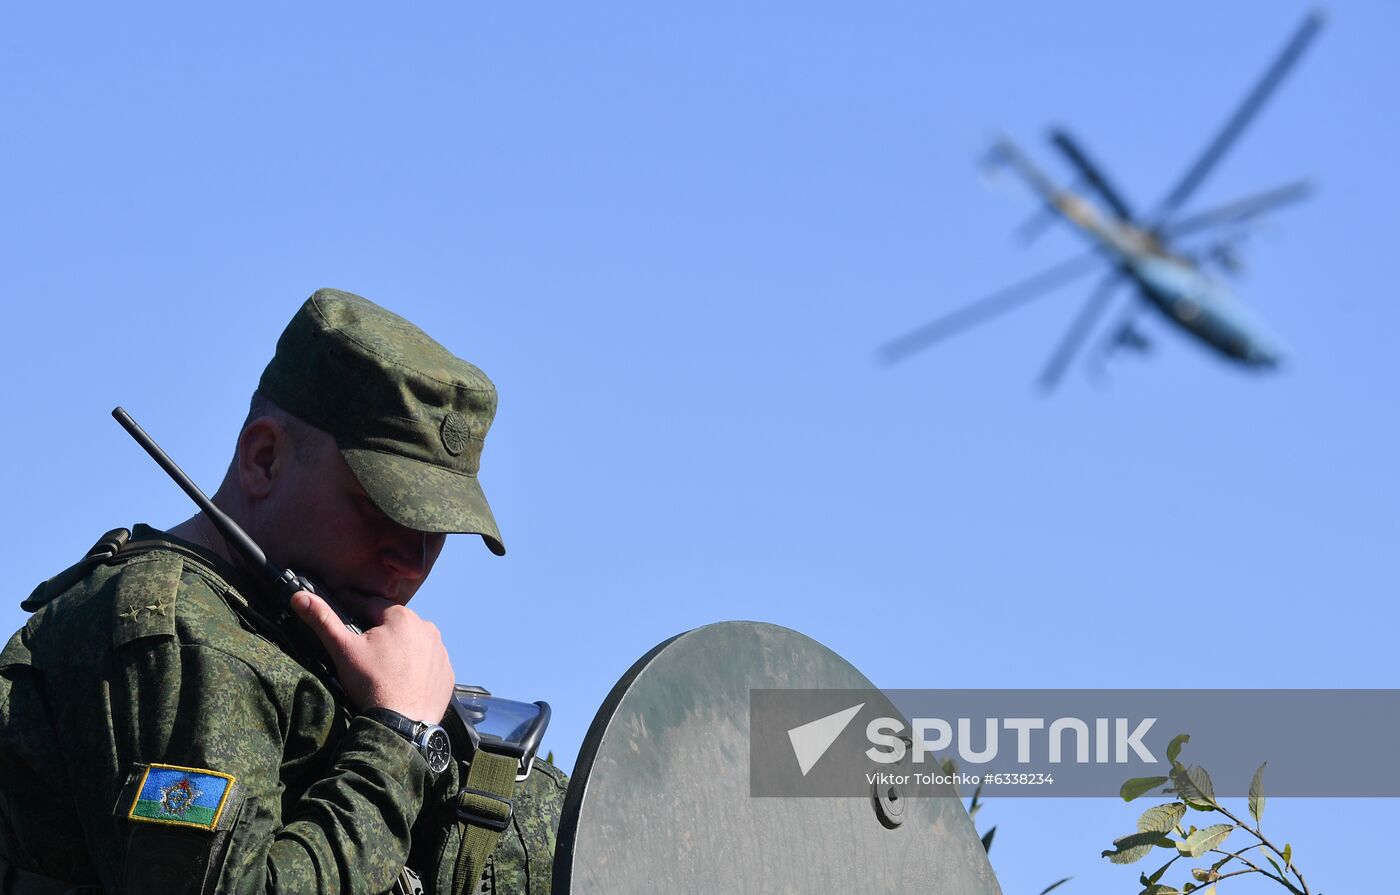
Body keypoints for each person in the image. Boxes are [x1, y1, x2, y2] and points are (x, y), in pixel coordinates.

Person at [0, 289, 565, 895]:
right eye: (383, 511)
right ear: (263, 459)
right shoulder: (194, 645)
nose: (413, 559)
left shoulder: (272, 632)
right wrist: (398, 741)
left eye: (438, 531)